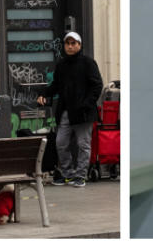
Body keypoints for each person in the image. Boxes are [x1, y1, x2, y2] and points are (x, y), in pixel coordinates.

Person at [36, 31, 103, 188]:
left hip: (84, 113)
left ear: (79, 45)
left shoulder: (88, 63)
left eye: (74, 43)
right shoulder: (61, 65)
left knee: (83, 144)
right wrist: (43, 93)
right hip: (66, 112)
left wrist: (86, 103)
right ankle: (67, 173)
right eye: (68, 43)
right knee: (61, 142)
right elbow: (56, 86)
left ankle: (80, 175)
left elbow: (97, 85)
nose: (70, 46)